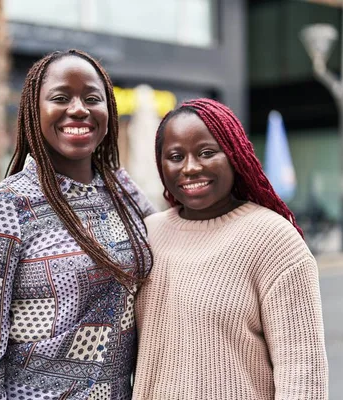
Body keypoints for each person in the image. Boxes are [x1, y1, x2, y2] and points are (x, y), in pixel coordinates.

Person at [0, 49, 154, 400]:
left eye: (93, 98)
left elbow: (175, 241)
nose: (79, 109)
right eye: (60, 97)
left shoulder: (123, 191)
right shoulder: (4, 206)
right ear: (35, 109)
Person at [133, 98, 328, 399]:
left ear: (234, 155)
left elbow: (303, 372)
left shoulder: (274, 238)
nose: (190, 168)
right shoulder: (146, 234)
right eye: (175, 156)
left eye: (207, 153)